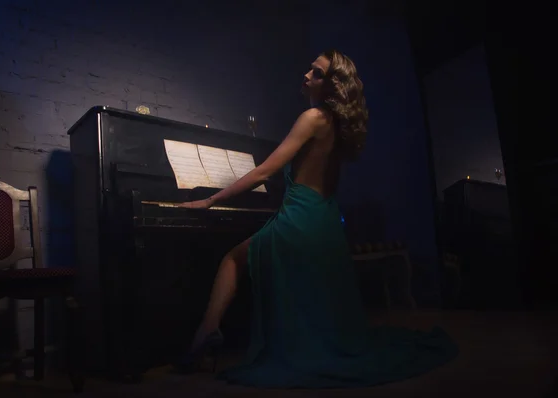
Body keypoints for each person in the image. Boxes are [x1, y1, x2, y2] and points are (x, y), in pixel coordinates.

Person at [176, 50, 458, 388]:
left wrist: (210, 200)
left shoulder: (311, 118)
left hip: (298, 220)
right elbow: (324, 187)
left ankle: (205, 335)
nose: (307, 75)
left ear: (332, 86)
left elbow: (266, 170)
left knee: (231, 260)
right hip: (322, 223)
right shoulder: (337, 129)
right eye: (310, 69)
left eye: (318, 73)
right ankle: (248, 336)